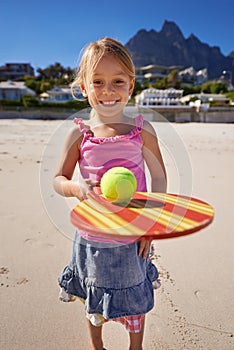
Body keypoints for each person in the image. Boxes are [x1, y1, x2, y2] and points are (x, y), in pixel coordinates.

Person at [53, 37, 167, 350]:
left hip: (132, 233)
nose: (108, 90)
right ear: (83, 87)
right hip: (92, 238)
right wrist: (77, 188)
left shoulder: (141, 130)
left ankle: (135, 346)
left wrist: (152, 224)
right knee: (94, 298)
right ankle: (97, 346)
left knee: (135, 296)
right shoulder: (80, 133)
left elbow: (158, 176)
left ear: (131, 86)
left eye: (117, 81)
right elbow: (59, 179)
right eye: (98, 82)